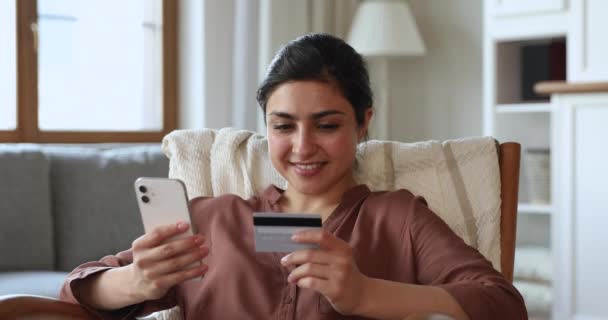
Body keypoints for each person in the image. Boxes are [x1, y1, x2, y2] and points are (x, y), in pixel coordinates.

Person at [60, 33, 527, 320]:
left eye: (327, 125)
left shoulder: (398, 218)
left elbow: (502, 306)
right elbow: (75, 291)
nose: (303, 148)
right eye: (283, 126)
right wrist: (138, 282)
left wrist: (367, 294)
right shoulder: (211, 219)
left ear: (363, 122)